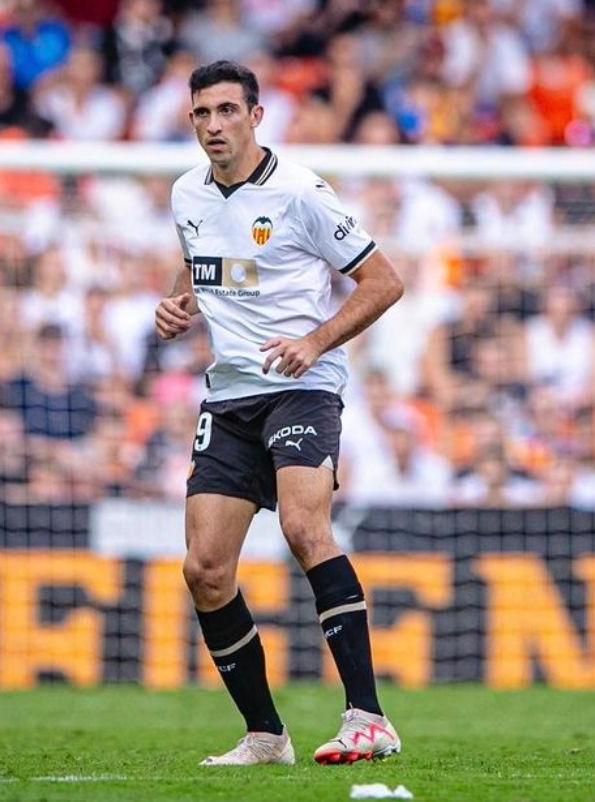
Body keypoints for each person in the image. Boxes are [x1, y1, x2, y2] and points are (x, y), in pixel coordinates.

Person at [154, 60, 404, 767]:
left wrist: (314, 340)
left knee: (302, 526)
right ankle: (266, 736)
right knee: (204, 569)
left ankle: (368, 717)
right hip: (229, 395)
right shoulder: (186, 195)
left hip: (303, 384)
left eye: (227, 111)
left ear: (256, 117)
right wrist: (180, 302)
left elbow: (385, 281)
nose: (213, 126)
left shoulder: (300, 193)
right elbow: (201, 263)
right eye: (202, 114)